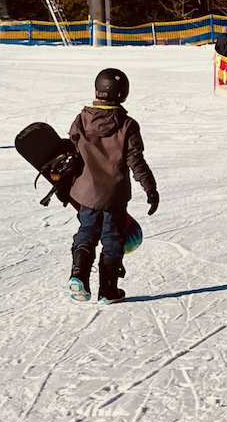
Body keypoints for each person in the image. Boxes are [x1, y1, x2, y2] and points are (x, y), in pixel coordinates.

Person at [67, 67, 159, 304]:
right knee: (112, 238)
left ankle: (78, 275)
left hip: (86, 192)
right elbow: (136, 161)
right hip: (113, 196)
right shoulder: (127, 125)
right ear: (122, 93)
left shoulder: (81, 119)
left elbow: (71, 152)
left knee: (87, 231)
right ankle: (108, 290)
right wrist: (150, 188)